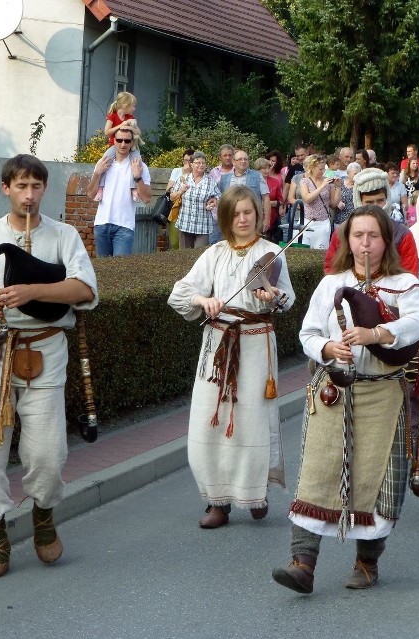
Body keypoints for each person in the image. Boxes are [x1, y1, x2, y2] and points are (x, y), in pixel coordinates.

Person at [272, 205, 419, 594]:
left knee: (377, 480)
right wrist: (327, 347)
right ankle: (302, 565)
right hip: (333, 393)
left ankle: (366, 561)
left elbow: (418, 323)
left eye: (372, 236)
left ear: (385, 241)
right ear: (346, 241)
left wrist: (377, 335)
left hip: (383, 394)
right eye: (357, 236)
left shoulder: (405, 284)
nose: (364, 243)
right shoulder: (331, 284)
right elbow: (307, 333)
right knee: (318, 471)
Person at [0, 154, 98, 578]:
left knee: (48, 455)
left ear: (44, 189)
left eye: (36, 186)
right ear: (6, 189)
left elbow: (86, 289)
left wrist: (33, 289)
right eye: (21, 186)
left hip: (44, 354)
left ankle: (44, 517)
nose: (29, 194)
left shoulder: (64, 235)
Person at [168, 185, 295, 529]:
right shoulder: (213, 254)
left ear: (257, 215)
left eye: (248, 212)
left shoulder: (271, 253)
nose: (242, 219)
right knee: (212, 419)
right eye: (235, 213)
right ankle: (217, 502)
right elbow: (179, 294)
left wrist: (273, 295)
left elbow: (288, 300)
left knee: (251, 421)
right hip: (218, 342)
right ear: (226, 217)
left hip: (256, 345)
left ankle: (254, 493)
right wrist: (203, 302)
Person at [324, 168, 419, 276]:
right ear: (359, 201)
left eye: (380, 201)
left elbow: (410, 277)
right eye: (369, 202)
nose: (375, 207)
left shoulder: (402, 234)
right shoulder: (342, 232)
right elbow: (331, 269)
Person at [87, 127, 151, 256]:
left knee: (120, 272)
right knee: (104, 271)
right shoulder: (103, 163)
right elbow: (90, 194)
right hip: (102, 224)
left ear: (132, 143)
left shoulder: (139, 166)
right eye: (119, 140)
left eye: (127, 141)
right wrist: (97, 173)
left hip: (124, 226)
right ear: (114, 141)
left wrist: (137, 177)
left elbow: (146, 198)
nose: (123, 144)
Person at [94, 91, 142, 203]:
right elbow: (106, 132)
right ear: (126, 106)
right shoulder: (113, 116)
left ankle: (133, 187)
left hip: (130, 146)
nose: (134, 108)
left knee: (136, 161)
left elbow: (138, 132)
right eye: (133, 106)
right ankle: (100, 188)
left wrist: (130, 128)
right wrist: (120, 126)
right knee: (104, 161)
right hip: (114, 146)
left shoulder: (130, 117)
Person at [218, 149, 271, 242]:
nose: (243, 161)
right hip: (232, 220)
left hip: (252, 220)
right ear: (233, 161)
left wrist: (266, 220)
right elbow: (221, 201)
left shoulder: (257, 176)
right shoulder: (224, 179)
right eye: (240, 159)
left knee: (253, 245)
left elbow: (266, 199)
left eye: (245, 159)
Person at [172, 151, 220, 248]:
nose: (201, 165)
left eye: (203, 163)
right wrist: (181, 191)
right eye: (198, 163)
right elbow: (172, 197)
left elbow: (219, 197)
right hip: (185, 223)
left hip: (203, 225)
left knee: (199, 255)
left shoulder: (210, 182)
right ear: (191, 164)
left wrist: (214, 201)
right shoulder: (183, 179)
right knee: (185, 256)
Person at [299, 154, 341, 249]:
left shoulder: (328, 181)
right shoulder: (305, 181)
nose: (323, 171)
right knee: (305, 252)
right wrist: (322, 186)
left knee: (321, 251)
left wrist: (338, 187)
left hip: (323, 223)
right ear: (312, 168)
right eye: (320, 169)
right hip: (308, 222)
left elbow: (334, 204)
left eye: (324, 169)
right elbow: (307, 199)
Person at [255, 157, 284, 242]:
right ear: (258, 169)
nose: (267, 170)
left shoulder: (275, 182)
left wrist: (269, 203)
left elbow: (281, 201)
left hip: (272, 218)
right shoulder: (253, 181)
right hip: (256, 217)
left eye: (268, 168)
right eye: (264, 168)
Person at [335, 162, 361, 227]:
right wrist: (337, 202)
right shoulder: (339, 184)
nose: (357, 176)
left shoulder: (360, 186)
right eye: (355, 174)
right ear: (348, 173)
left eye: (359, 174)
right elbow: (332, 198)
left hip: (355, 221)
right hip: (340, 221)